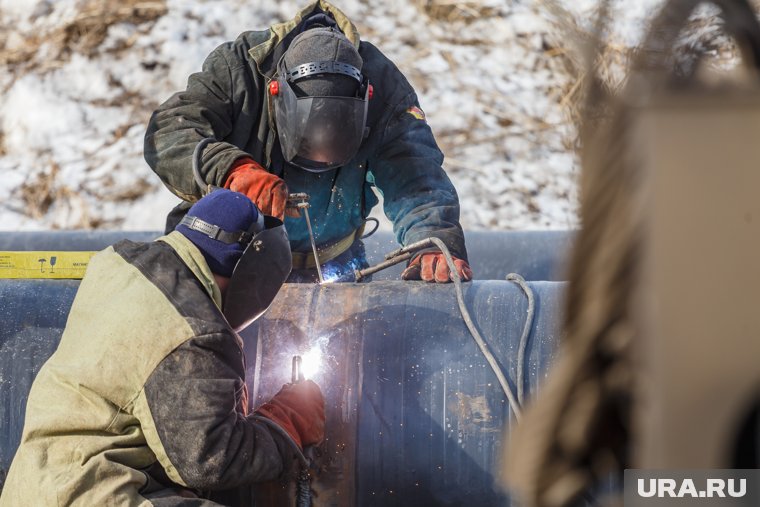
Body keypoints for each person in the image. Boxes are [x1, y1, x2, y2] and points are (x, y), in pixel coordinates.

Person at [0, 189, 325, 506]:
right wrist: (285, 423)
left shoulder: (120, 264)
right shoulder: (192, 329)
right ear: (247, 273)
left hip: (35, 483)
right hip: (97, 492)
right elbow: (208, 459)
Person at [144, 0, 473, 283]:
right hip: (226, 256)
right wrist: (232, 169)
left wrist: (432, 242)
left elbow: (415, 179)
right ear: (277, 92)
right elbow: (170, 131)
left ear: (365, 97)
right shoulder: (239, 70)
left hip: (334, 265)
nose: (320, 155)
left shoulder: (385, 91)